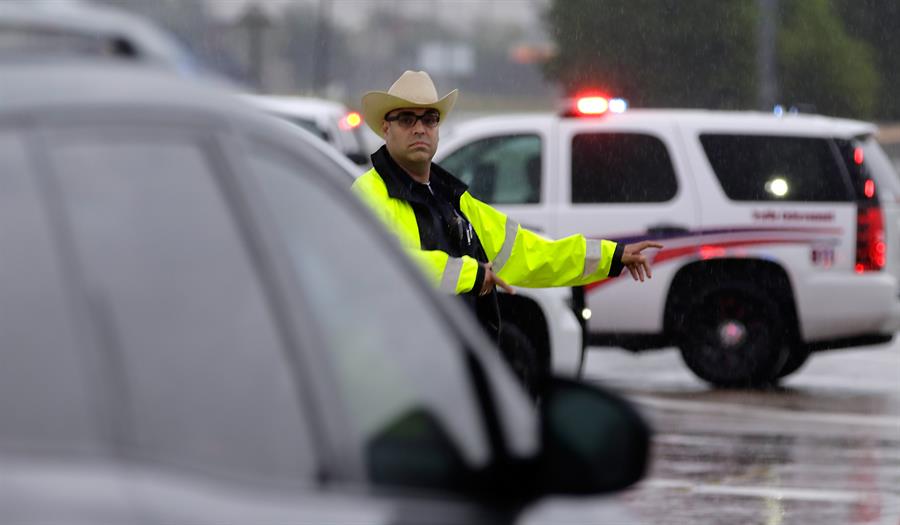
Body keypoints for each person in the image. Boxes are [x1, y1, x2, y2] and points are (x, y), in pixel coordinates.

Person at [352, 70, 661, 389]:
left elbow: (532, 254)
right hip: (393, 386)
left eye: (430, 119)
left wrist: (613, 255)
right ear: (386, 128)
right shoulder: (366, 195)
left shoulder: (456, 201)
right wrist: (468, 275)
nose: (420, 128)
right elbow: (382, 270)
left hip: (456, 383)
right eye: (406, 119)